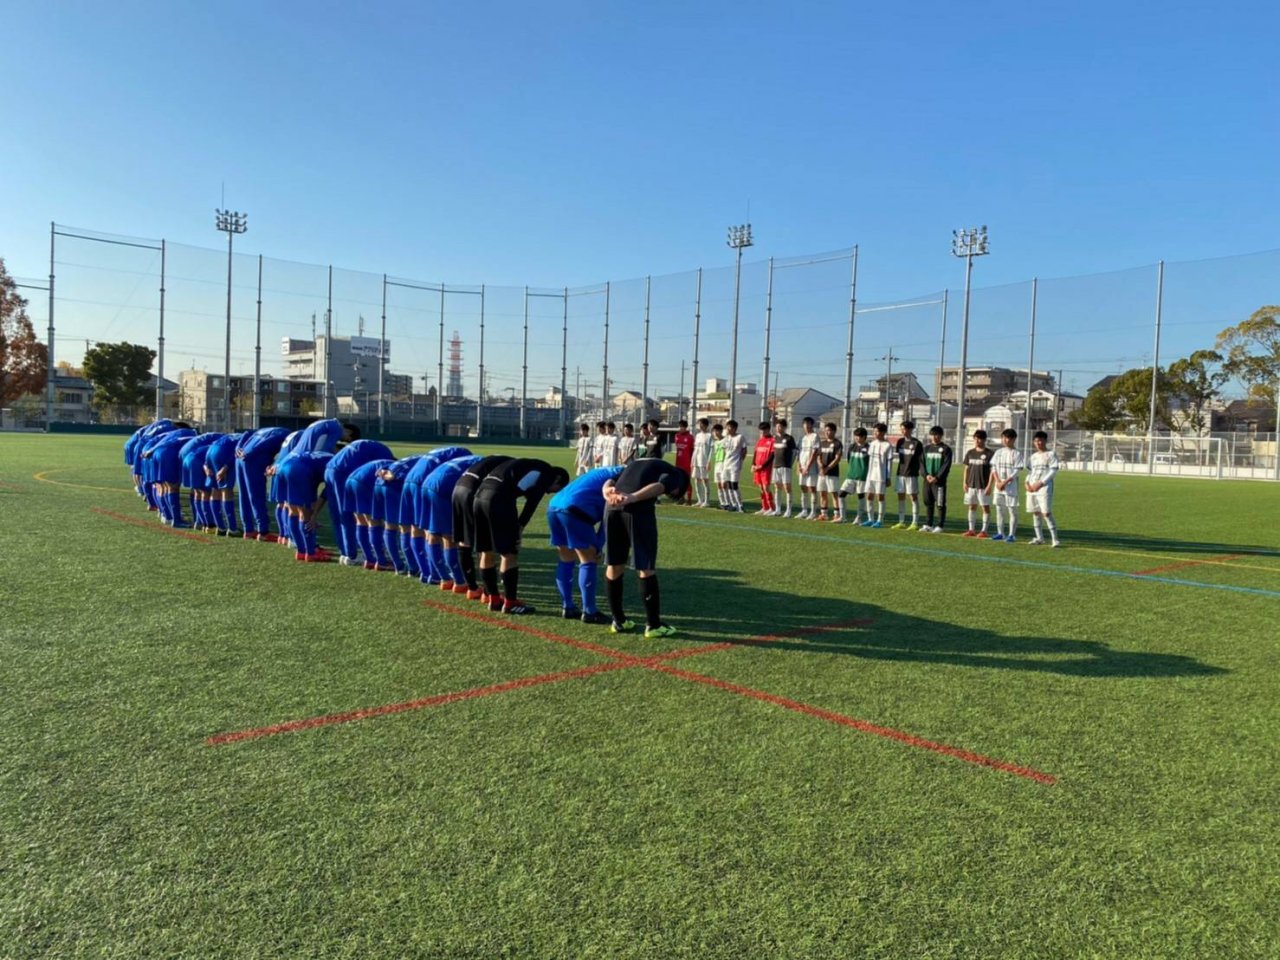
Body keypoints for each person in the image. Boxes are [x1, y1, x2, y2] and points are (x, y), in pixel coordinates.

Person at [602, 457, 688, 637]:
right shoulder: (675, 473)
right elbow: (660, 487)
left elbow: (610, 481)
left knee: (614, 564)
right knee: (645, 565)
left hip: (611, 508)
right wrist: (633, 497)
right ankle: (653, 625)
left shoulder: (634, 464)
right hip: (637, 511)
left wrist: (606, 493)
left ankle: (618, 621)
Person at [473, 458, 569, 614]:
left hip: (479, 497)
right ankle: (510, 603)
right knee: (509, 553)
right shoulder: (547, 472)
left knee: (486, 550)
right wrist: (520, 527)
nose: (548, 492)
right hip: (498, 499)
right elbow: (532, 502)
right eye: (554, 489)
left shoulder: (529, 465)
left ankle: (494, 599)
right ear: (557, 479)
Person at [546, 465, 625, 623]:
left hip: (553, 506)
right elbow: (610, 513)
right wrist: (599, 544)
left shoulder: (604, 471)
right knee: (588, 560)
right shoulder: (624, 479)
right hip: (574, 509)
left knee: (565, 558)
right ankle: (589, 611)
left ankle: (567, 606)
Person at [402, 446, 472, 584]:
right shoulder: (466, 456)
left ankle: (426, 572)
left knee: (417, 527)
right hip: (429, 484)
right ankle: (444, 576)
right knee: (443, 533)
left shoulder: (450, 452)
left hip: (412, 480)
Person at [421, 453, 486, 597]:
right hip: (443, 487)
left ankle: (443, 578)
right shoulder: (484, 465)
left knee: (432, 532)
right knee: (448, 536)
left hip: (427, 483)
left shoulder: (468, 458)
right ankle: (459, 582)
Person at [323, 438, 395, 565]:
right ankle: (352, 555)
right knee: (348, 514)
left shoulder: (376, 447)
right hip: (344, 472)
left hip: (330, 468)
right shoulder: (386, 458)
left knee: (338, 514)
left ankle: (345, 552)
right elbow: (382, 479)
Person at [451, 455, 514, 599]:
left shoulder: (491, 460)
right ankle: (488, 593)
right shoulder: (509, 468)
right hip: (474, 492)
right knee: (484, 543)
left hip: (458, 489)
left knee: (464, 540)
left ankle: (471, 588)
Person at [277, 450, 335, 562]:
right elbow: (325, 493)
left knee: (292, 510)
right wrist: (314, 515)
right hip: (300, 470)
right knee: (305, 514)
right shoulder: (338, 466)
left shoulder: (328, 456)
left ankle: (301, 551)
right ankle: (311, 553)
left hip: (285, 465)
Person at [235, 427, 291, 541]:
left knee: (244, 495)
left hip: (240, 457)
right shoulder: (287, 434)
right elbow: (270, 441)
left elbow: (246, 433)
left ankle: (248, 530)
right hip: (253, 458)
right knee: (257, 495)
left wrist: (238, 448)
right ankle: (263, 531)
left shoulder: (265, 430)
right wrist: (251, 452)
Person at [374, 455, 424, 575]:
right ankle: (412, 567)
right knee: (405, 527)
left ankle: (399, 566)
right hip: (394, 485)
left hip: (379, 483)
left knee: (389, 525)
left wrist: (384, 473)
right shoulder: (428, 462)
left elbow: (381, 470)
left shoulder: (417, 458)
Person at [345, 457, 397, 569]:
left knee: (360, 521)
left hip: (350, 480)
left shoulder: (380, 461)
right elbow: (384, 474)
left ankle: (369, 559)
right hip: (363, 483)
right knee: (373, 522)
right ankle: (381, 561)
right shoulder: (393, 465)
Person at [139, 425, 195, 524]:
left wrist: (151, 450)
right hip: (167, 455)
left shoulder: (174, 433)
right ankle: (176, 520)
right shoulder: (192, 434)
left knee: (161, 486)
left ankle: (165, 515)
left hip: (156, 453)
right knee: (173, 487)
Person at [177, 432, 221, 529]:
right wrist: (207, 468)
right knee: (205, 492)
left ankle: (199, 521)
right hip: (196, 460)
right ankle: (208, 523)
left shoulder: (208, 439)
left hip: (187, 457)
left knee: (197, 491)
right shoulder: (221, 441)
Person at [1025, 430, 1061, 547]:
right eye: (1036, 441)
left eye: (1040, 440)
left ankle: (1055, 539)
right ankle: (1039, 538)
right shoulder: (1033, 457)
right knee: (1035, 513)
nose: (1038, 443)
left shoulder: (1051, 454)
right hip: (1032, 487)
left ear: (1045, 441)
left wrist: (1041, 483)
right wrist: (1026, 482)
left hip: (1044, 488)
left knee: (1046, 513)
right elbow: (1030, 472)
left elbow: (1053, 471)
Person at [204, 431, 244, 536]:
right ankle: (232, 529)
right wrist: (225, 468)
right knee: (227, 492)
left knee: (215, 490)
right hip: (222, 454)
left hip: (210, 452)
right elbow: (237, 453)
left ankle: (220, 527)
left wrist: (206, 466)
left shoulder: (228, 436)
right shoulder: (247, 438)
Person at [989, 428, 1024, 543]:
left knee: (1012, 510)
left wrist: (1004, 482)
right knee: (999, 509)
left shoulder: (1017, 453)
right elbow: (993, 467)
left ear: (1013, 439)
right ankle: (1000, 533)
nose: (1005, 440)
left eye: (1008, 438)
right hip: (998, 486)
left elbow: (1017, 471)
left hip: (1011, 487)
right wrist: (998, 481)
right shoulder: (998, 452)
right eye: (1003, 437)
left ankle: (1011, 535)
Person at [961, 430, 994, 539]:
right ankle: (971, 530)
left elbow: (993, 471)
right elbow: (966, 469)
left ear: (984, 440)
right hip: (971, 485)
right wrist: (964, 482)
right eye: (975, 439)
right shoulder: (970, 453)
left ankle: (984, 531)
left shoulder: (990, 454)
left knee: (985, 507)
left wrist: (989, 485)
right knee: (972, 506)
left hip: (983, 486)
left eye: (979, 439)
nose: (977, 441)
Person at [892, 421, 924, 530]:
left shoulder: (917, 443)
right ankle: (901, 521)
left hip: (911, 474)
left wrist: (919, 471)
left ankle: (915, 522)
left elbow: (920, 460)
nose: (902, 431)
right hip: (900, 473)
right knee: (900, 496)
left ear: (910, 430)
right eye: (901, 429)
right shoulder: (900, 442)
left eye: (904, 429)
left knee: (913, 497)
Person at [921, 426, 953, 534]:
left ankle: (940, 525)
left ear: (941, 436)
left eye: (937, 435)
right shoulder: (926, 448)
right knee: (928, 502)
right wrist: (926, 475)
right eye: (933, 435)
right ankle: (928, 524)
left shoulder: (946, 449)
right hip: (927, 480)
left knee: (940, 504)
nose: (935, 437)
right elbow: (921, 464)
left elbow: (946, 465)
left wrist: (937, 477)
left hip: (939, 482)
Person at [837, 427, 869, 524]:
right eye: (855, 436)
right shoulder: (852, 447)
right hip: (850, 476)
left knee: (861, 496)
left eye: (859, 436)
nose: (856, 438)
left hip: (862, 477)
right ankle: (842, 517)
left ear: (864, 437)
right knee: (841, 494)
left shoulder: (869, 448)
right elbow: (849, 459)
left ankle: (859, 518)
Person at [864, 422, 894, 528]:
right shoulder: (872, 444)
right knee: (869, 496)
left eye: (877, 431)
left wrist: (888, 477)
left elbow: (889, 462)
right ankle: (870, 519)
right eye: (874, 431)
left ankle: (880, 520)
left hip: (881, 476)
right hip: (870, 475)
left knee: (880, 497)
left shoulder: (888, 445)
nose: (875, 433)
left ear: (883, 432)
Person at [814, 422, 843, 521]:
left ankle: (837, 514)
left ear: (834, 431)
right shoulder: (822, 443)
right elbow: (818, 457)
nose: (827, 432)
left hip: (832, 473)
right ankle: (824, 514)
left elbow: (837, 458)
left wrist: (827, 468)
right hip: (822, 474)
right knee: (823, 493)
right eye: (826, 430)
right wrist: (821, 466)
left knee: (834, 493)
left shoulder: (837, 443)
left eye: (829, 430)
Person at [771, 419, 796, 518]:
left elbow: (794, 452)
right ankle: (778, 509)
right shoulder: (774, 438)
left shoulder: (789, 438)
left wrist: (790, 463)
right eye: (777, 426)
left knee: (787, 487)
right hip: (776, 466)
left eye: (780, 426)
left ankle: (788, 510)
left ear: (784, 427)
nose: (778, 428)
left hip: (786, 466)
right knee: (777, 487)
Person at [796, 416, 820, 519]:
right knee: (803, 487)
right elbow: (798, 453)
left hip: (812, 467)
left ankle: (813, 511)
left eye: (808, 424)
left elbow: (814, 453)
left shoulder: (815, 436)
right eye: (805, 424)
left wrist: (807, 467)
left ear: (812, 425)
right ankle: (804, 510)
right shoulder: (802, 438)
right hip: (802, 467)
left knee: (812, 488)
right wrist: (799, 466)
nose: (806, 426)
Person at [720, 419, 746, 511]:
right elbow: (724, 451)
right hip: (726, 465)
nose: (728, 429)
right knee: (726, 485)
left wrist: (740, 461)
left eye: (729, 427)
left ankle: (740, 505)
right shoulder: (725, 439)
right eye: (727, 427)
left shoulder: (740, 437)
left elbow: (744, 450)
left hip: (735, 465)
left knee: (734, 485)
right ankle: (733, 504)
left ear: (734, 428)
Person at [752, 421, 776, 515]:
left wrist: (763, 466)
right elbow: (755, 453)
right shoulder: (760, 440)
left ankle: (772, 508)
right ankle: (764, 507)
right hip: (757, 468)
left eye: (763, 430)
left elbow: (772, 455)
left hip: (766, 469)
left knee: (766, 488)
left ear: (768, 430)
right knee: (761, 488)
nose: (762, 432)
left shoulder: (772, 440)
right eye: (760, 431)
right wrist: (753, 464)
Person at [690, 418, 714, 507]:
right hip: (696, 461)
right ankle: (700, 500)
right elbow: (695, 449)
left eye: (701, 424)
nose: (699, 425)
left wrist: (709, 461)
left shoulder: (709, 436)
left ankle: (706, 501)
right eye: (699, 424)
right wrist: (692, 461)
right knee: (697, 480)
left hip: (704, 461)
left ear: (706, 425)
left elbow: (711, 450)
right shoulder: (697, 435)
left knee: (705, 480)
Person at [672, 420, 694, 503]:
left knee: (687, 481)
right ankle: (681, 498)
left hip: (687, 463)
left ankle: (689, 499)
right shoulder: (676, 436)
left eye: (682, 427)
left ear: (685, 427)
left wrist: (692, 462)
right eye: (679, 427)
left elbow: (692, 451)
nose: (680, 428)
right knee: (679, 481)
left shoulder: (690, 437)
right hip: (678, 462)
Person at [710, 422, 728, 508]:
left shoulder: (726, 440)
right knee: (718, 485)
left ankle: (727, 502)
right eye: (714, 431)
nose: (715, 433)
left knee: (724, 484)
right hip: (717, 464)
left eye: (717, 431)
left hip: (724, 464)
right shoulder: (715, 442)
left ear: (721, 431)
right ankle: (722, 502)